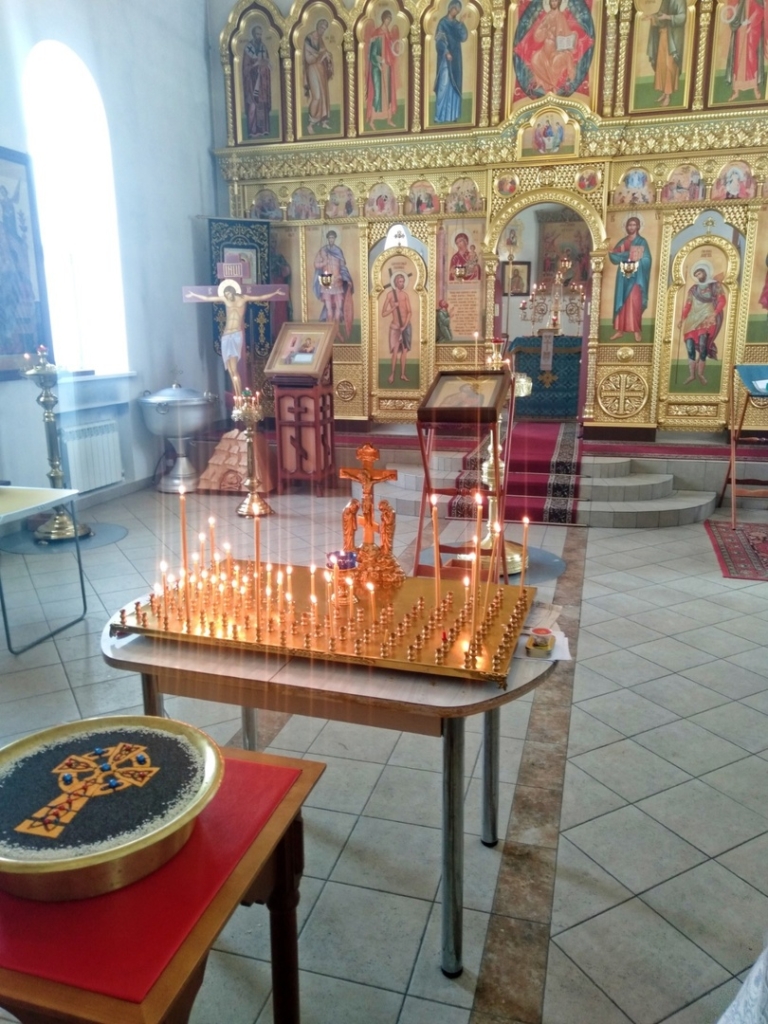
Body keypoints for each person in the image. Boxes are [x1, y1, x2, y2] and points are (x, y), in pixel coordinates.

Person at [184, 280, 284, 395]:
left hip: (236, 334)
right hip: (226, 335)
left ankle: (239, 394)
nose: (227, 296)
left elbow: (259, 297)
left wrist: (275, 293)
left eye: (228, 294)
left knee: (234, 368)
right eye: (225, 295)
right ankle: (237, 396)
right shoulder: (226, 299)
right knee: (230, 369)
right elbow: (208, 298)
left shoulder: (243, 298)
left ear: (232, 292)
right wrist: (193, 294)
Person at [514, 0, 594, 97]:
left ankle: (553, 87)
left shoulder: (561, 17)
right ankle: (547, 86)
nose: (554, 3)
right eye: (552, 1)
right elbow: (537, 37)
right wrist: (543, 29)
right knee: (535, 60)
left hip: (557, 51)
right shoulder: (546, 17)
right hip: (544, 50)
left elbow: (567, 34)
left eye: (556, 1)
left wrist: (570, 37)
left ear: (559, 2)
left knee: (556, 63)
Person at [676, 261, 726, 386]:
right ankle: (692, 375)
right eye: (696, 275)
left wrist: (714, 314)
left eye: (699, 273)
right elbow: (688, 305)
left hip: (706, 318)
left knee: (703, 347)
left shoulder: (715, 286)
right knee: (690, 348)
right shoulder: (693, 289)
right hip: (692, 319)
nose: (698, 276)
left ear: (705, 272)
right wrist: (682, 318)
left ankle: (701, 374)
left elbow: (722, 301)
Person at [608, 216, 652, 342]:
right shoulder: (623, 241)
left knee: (635, 301)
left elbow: (647, 259)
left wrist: (636, 258)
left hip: (637, 276)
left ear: (638, 226)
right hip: (623, 276)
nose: (631, 227)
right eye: (629, 225)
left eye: (633, 225)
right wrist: (616, 253)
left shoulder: (642, 241)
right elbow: (614, 256)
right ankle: (619, 331)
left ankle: (636, 331)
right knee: (621, 300)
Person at [313, 229, 354, 339]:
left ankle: (336, 331)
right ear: (327, 239)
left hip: (337, 282)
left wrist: (345, 278)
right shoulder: (323, 251)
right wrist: (324, 262)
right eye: (330, 238)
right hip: (327, 281)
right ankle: (329, 332)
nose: (331, 239)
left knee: (339, 308)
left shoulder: (338, 251)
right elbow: (316, 265)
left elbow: (343, 267)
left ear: (335, 239)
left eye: (333, 238)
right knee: (329, 310)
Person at [644, 0, 686, 106]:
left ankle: (668, 95)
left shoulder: (680, 1)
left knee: (669, 65)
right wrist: (653, 17)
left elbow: (682, 17)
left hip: (673, 39)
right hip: (663, 35)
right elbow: (661, 14)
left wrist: (668, 17)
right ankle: (664, 92)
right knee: (661, 64)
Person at [434, 0, 467, 123]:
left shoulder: (457, 24)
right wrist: (446, 51)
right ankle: (439, 116)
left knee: (454, 85)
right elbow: (439, 40)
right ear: (450, 8)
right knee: (443, 84)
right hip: (445, 59)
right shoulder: (442, 23)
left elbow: (463, 37)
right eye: (454, 9)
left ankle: (453, 115)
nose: (456, 12)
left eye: (458, 10)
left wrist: (462, 24)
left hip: (456, 58)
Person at [725, 0, 766, 101]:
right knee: (738, 60)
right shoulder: (741, 2)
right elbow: (735, 11)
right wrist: (733, 17)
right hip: (741, 32)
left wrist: (750, 23)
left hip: (752, 32)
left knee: (751, 59)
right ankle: (736, 90)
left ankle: (755, 88)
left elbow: (759, 11)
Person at [365, 10, 399, 128]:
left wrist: (394, 50)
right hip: (378, 68)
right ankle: (372, 120)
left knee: (388, 94)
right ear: (383, 19)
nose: (388, 21)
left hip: (387, 67)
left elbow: (391, 50)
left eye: (390, 19)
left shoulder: (388, 34)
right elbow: (372, 54)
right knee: (378, 93)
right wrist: (379, 61)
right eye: (387, 19)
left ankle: (388, 118)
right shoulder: (377, 33)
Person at [303, 18, 333, 134]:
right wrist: (322, 55)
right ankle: (311, 123)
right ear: (317, 26)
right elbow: (308, 58)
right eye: (322, 28)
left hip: (321, 69)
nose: (323, 31)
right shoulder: (309, 38)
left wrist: (328, 56)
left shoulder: (320, 39)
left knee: (324, 96)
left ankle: (323, 120)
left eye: (325, 29)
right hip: (312, 69)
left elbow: (324, 52)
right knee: (317, 96)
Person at [382, 273, 412, 384]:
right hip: (395, 327)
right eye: (400, 281)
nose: (402, 283)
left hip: (406, 327)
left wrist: (405, 325)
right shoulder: (390, 295)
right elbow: (383, 313)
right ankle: (392, 374)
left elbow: (409, 312)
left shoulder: (405, 295)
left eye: (403, 281)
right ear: (395, 282)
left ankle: (403, 374)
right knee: (395, 351)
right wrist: (393, 307)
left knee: (404, 351)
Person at [242, 25, 271, 137]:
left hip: (262, 81)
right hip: (252, 82)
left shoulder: (263, 47)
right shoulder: (248, 49)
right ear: (253, 34)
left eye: (260, 34)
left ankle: (263, 129)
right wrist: (255, 64)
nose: (259, 36)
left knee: (262, 105)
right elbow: (245, 68)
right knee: (252, 106)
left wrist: (265, 65)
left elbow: (267, 63)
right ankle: (252, 131)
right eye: (257, 34)